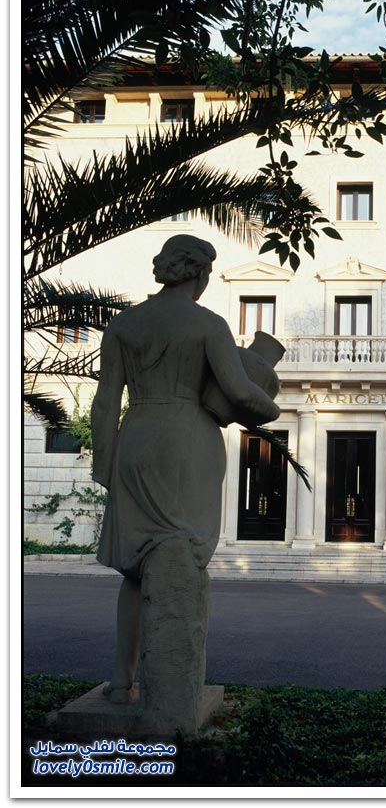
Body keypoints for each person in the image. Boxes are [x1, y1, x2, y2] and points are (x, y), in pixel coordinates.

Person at [91, 234, 280, 703]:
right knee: (184, 554)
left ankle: (122, 680)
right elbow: (238, 392)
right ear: (198, 272)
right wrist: (271, 408)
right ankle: (174, 684)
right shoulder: (208, 324)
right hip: (189, 439)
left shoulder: (123, 324)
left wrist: (105, 462)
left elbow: (105, 401)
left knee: (134, 571)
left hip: (136, 436)